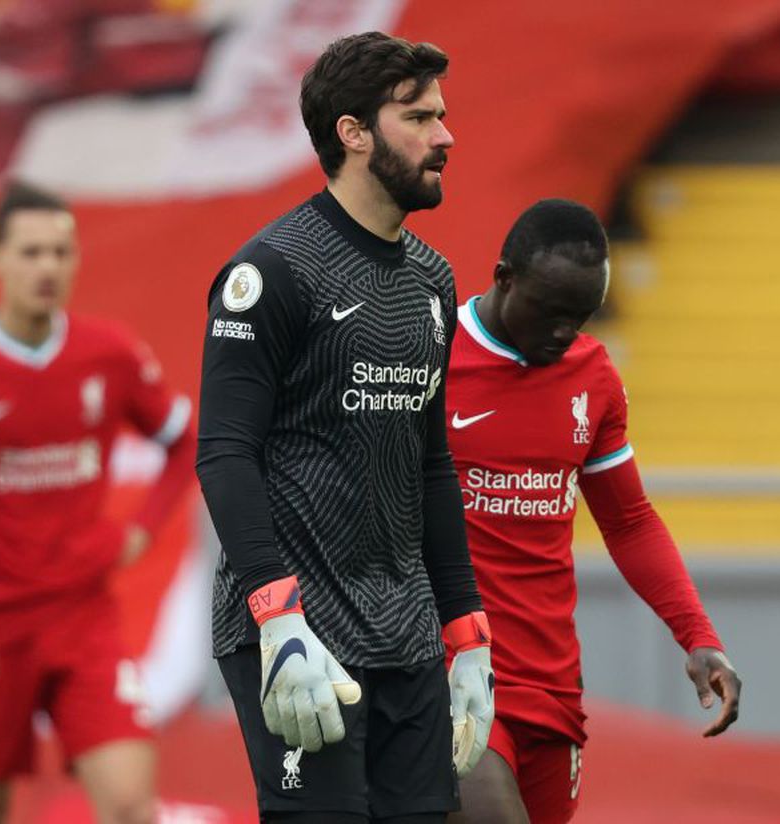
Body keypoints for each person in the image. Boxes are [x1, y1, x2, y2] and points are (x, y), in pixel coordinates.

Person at [196, 31, 494, 824]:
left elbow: (430, 465)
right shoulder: (272, 273)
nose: (445, 136)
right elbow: (224, 453)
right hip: (299, 630)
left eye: (441, 115)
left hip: (406, 630)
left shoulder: (433, 280)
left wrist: (466, 630)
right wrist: (277, 617)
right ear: (353, 133)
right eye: (419, 117)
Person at [0, 180, 194, 824]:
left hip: (84, 618)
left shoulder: (108, 353)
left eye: (60, 253)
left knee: (131, 809)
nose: (47, 268)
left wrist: (139, 532)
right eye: (30, 253)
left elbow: (183, 439)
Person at [444, 200, 742, 824]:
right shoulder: (430, 355)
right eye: (550, 312)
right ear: (504, 278)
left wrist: (697, 635)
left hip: (551, 681)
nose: (564, 332)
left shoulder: (593, 377)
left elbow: (629, 522)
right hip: (448, 669)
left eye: (580, 316)